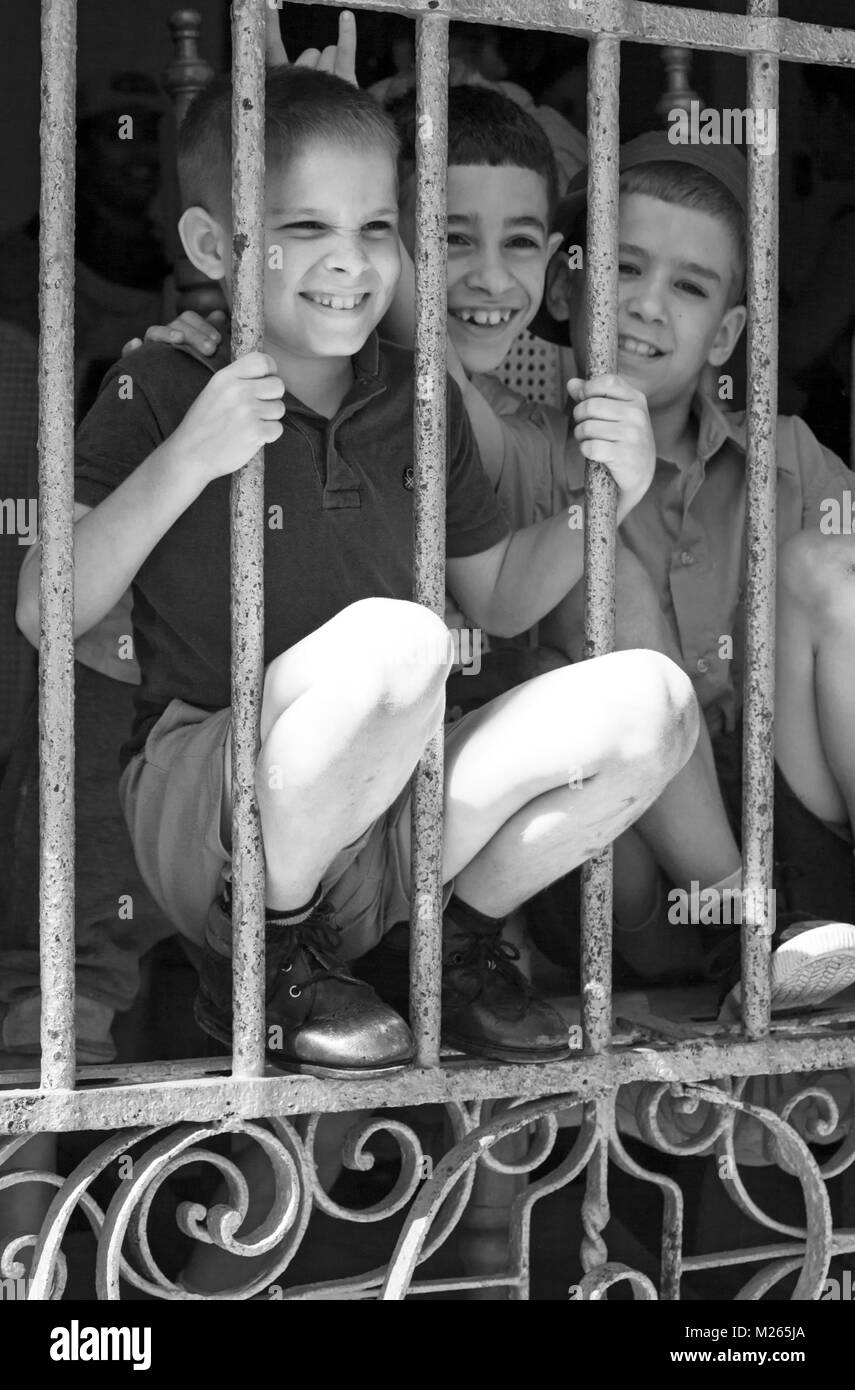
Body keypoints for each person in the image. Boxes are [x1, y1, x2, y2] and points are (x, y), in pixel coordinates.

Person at [17, 63, 699, 1080]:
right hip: (214, 808)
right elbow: (46, 607)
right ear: (213, 247)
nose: (348, 261)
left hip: (382, 809)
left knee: (656, 703)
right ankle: (269, 957)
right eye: (302, 229)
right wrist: (192, 454)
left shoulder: (416, 399)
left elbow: (504, 595)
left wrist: (613, 495)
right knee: (402, 641)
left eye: (376, 229)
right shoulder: (162, 380)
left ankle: (445, 947)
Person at [523, 130, 855, 1021]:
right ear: (566, 282)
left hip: (801, 856)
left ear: (727, 335)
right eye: (624, 267)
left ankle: (804, 922)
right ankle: (744, 926)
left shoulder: (786, 457)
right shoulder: (510, 450)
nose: (645, 308)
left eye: (689, 287)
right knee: (603, 585)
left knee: (830, 569)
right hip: (613, 880)